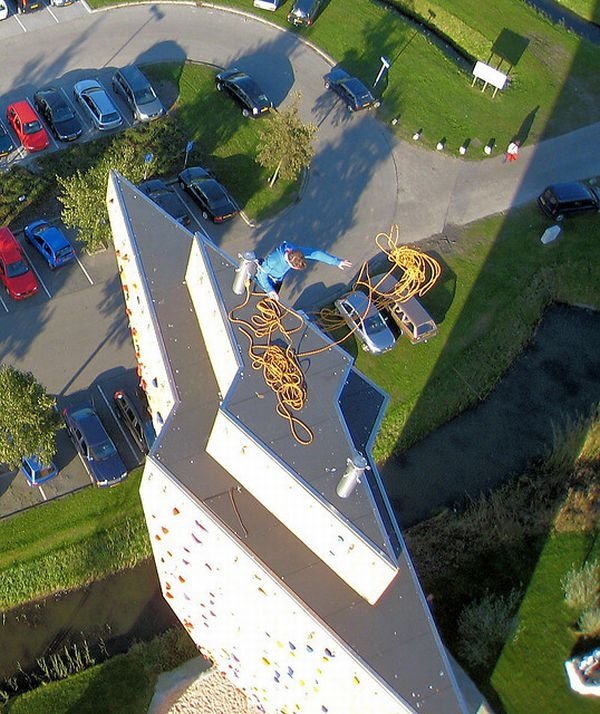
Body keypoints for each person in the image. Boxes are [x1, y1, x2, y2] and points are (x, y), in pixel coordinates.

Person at [254, 241, 352, 301]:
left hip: (278, 279)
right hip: (265, 280)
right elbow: (263, 275)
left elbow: (316, 254)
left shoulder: (296, 252)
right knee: (257, 298)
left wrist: (337, 262)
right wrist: (269, 289)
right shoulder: (274, 260)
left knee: (270, 301)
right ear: (292, 265)